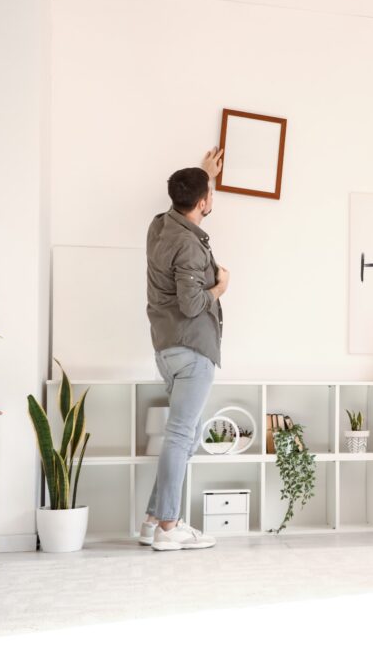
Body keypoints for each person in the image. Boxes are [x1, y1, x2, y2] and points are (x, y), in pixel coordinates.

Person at [140, 147, 228, 551]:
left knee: (185, 436)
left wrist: (204, 177)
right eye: (207, 197)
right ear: (203, 202)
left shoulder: (159, 226)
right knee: (181, 436)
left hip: (167, 349)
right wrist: (220, 288)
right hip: (193, 349)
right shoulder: (191, 247)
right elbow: (193, 304)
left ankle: (153, 519)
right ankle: (169, 528)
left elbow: (187, 210)